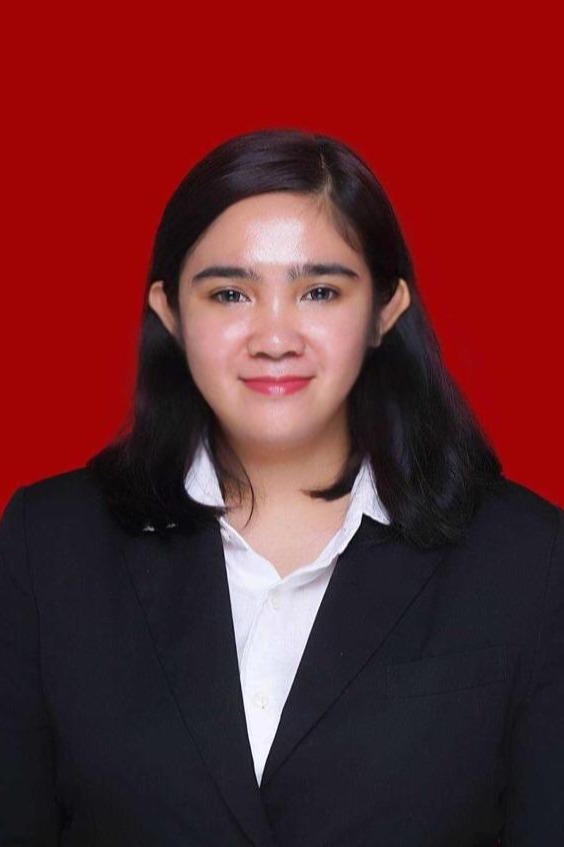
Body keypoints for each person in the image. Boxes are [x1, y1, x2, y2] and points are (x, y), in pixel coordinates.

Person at [0, 128, 562, 846]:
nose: (274, 338)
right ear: (171, 313)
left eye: (319, 291)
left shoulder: (529, 560)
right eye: (230, 293)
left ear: (385, 310)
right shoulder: (49, 547)